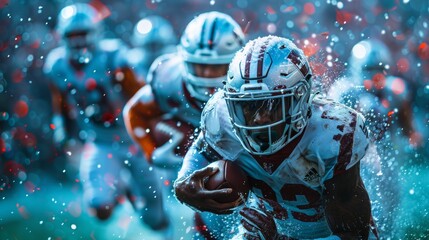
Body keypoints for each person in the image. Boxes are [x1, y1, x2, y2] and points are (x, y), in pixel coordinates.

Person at [174, 36, 377, 239]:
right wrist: (184, 186)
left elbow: (352, 234)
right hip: (267, 228)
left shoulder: (332, 134)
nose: (258, 119)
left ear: (300, 98)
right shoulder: (221, 117)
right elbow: (198, 157)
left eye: (271, 106)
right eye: (248, 106)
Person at [43, 3, 171, 236]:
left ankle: (131, 189)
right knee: (99, 206)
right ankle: (121, 187)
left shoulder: (114, 57)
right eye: (73, 35)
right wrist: (62, 126)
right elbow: (60, 101)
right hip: (100, 142)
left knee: (156, 219)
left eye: (83, 34)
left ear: (96, 33)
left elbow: (142, 98)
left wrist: (156, 130)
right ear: (62, 36)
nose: (79, 41)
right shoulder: (57, 65)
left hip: (135, 140)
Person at [123, 11, 245, 239]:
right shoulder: (169, 79)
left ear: (236, 61)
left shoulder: (254, 83)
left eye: (216, 67)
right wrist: (152, 152)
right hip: (198, 151)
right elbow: (135, 111)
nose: (207, 76)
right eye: (200, 67)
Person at [328, 39, 419, 238]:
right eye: (369, 68)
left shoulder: (395, 90)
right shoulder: (343, 92)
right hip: (356, 157)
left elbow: (409, 130)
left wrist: (411, 139)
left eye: (378, 69)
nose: (373, 75)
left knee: (391, 209)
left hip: (388, 156)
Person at [127, 15, 178, 82]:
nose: (154, 50)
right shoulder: (131, 61)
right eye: (149, 46)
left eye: (158, 45)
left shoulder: (174, 59)